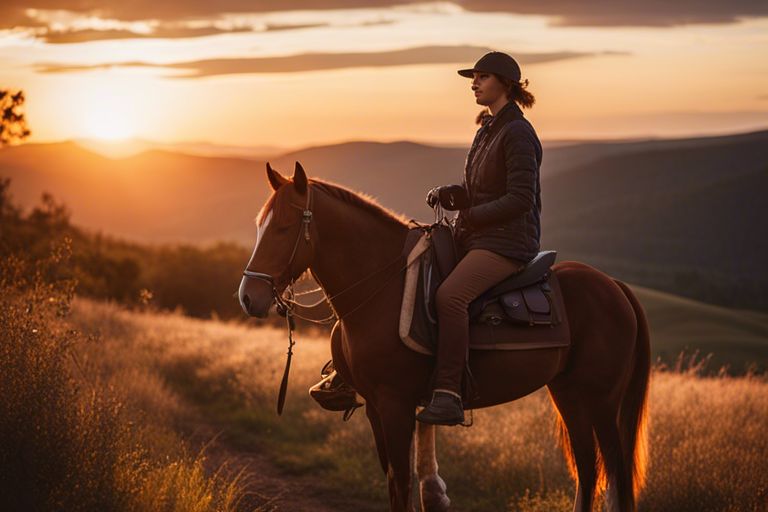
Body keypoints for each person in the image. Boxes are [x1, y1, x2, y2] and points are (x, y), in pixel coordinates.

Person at [415, 51, 543, 425]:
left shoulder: (518, 132)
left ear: (505, 84)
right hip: (479, 236)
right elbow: (481, 189)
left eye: (482, 76)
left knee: (450, 296)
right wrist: (452, 193)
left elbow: (520, 199)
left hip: (507, 243)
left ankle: (448, 393)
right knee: (415, 264)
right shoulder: (487, 128)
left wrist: (468, 215)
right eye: (474, 77)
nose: (474, 82)